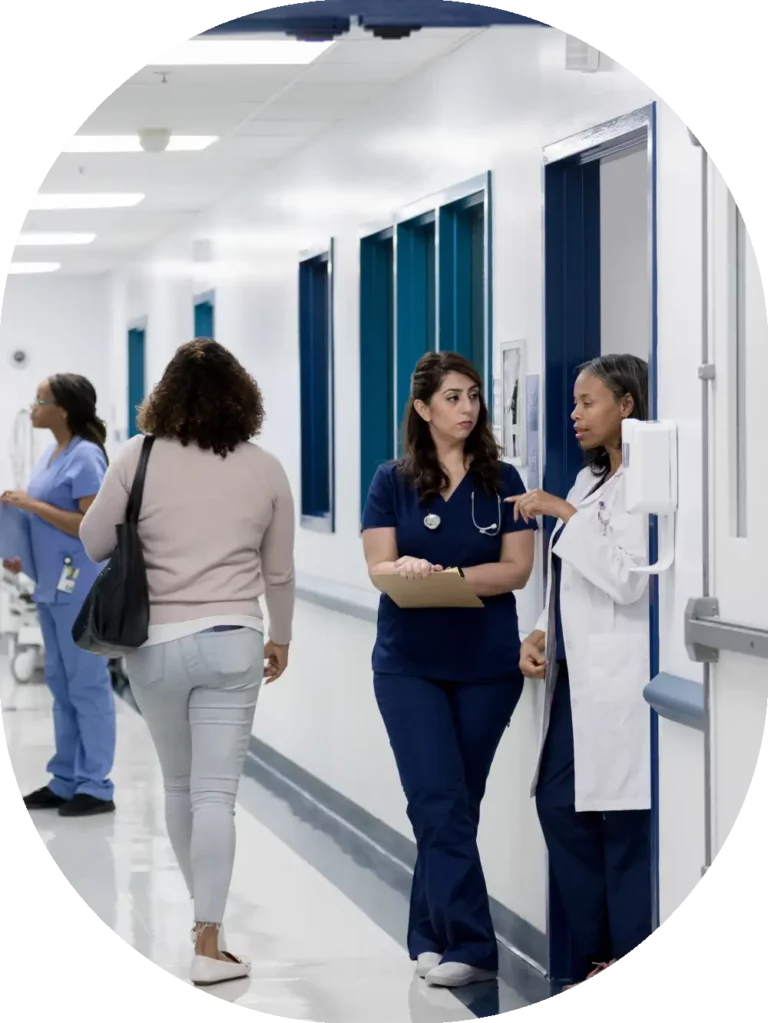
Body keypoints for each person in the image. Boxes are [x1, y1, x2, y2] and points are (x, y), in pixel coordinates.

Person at [79, 339, 296, 988]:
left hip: (156, 645)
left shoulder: (136, 457)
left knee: (179, 787)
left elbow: (93, 542)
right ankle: (209, 936)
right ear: (242, 397)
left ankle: (208, 930)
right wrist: (281, 636)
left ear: (168, 394)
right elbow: (279, 570)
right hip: (233, 640)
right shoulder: (265, 467)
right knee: (215, 795)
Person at [361, 351, 537, 990]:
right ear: (423, 408)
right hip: (409, 666)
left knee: (455, 805)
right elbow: (378, 564)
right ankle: (473, 944)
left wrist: (448, 577)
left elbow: (518, 567)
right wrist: (403, 571)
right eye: (454, 398)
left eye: (474, 396)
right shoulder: (392, 480)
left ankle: (431, 932)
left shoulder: (504, 478)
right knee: (436, 799)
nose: (468, 409)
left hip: (487, 667)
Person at [511, 353, 652, 992]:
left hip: (617, 680)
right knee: (557, 803)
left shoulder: (644, 486)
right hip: (573, 675)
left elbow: (627, 579)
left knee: (622, 821)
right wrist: (542, 628)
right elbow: (570, 578)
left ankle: (619, 953)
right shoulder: (587, 481)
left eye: (586, 402)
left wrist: (565, 519)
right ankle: (598, 949)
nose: (574, 415)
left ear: (627, 405)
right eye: (572, 403)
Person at [3, 374, 116, 817]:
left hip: (80, 586)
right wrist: (17, 554)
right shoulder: (53, 454)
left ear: (63, 409)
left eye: (40, 399)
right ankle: (65, 778)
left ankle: (96, 785)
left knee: (87, 685)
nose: (32, 407)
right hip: (51, 585)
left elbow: (91, 526)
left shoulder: (87, 457)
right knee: (61, 686)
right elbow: (46, 526)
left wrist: (31, 505)